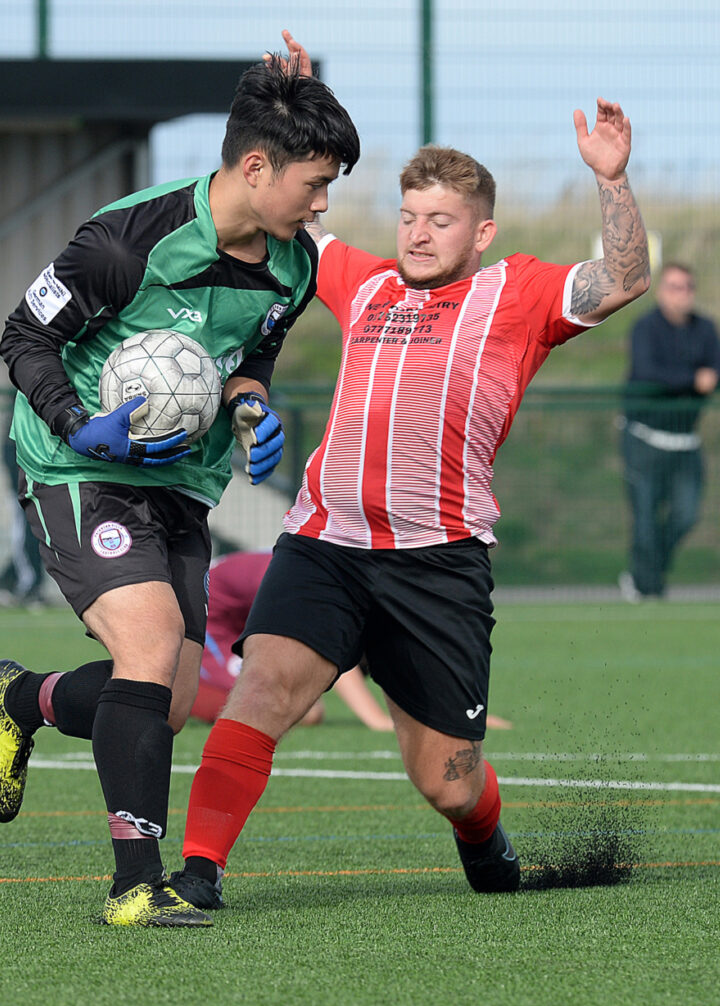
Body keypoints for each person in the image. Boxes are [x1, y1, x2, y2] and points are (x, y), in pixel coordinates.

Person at [165, 37, 650, 913]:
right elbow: (292, 200)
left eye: (441, 220)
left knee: (448, 784)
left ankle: (485, 842)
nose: (419, 234)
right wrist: (293, 109)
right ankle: (197, 873)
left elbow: (624, 276)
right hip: (323, 547)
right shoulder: (363, 280)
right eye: (409, 216)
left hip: (437, 566)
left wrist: (610, 179)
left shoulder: (519, 293)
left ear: (482, 232)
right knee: (264, 689)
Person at [0, 41, 360, 929]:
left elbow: (247, 355)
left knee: (171, 701)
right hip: (77, 466)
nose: (323, 201)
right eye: (314, 180)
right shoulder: (125, 242)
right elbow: (21, 338)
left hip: (183, 483)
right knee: (146, 655)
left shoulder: (292, 264)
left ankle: (19, 696)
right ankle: (133, 886)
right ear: (255, 166)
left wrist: (253, 411)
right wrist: (79, 422)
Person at [193, 548, 512, 731]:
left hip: (237, 622)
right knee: (299, 709)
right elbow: (329, 645)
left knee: (301, 704)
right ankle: (176, 694)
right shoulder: (324, 578)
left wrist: (454, 715)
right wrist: (376, 719)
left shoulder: (339, 572)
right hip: (210, 623)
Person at [618, 262, 720, 601]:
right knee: (646, 520)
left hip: (685, 442)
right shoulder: (645, 328)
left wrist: (705, 379)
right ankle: (648, 591)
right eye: (675, 287)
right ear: (662, 292)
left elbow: (716, 371)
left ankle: (645, 574)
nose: (683, 295)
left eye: (688, 287)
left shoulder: (705, 328)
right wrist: (692, 380)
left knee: (686, 514)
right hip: (644, 439)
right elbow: (649, 373)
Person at [0, 404, 46, 607]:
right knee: (26, 527)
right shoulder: (21, 401)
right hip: (23, 476)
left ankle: (10, 578)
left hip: (43, 474)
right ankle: (25, 585)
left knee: (41, 530)